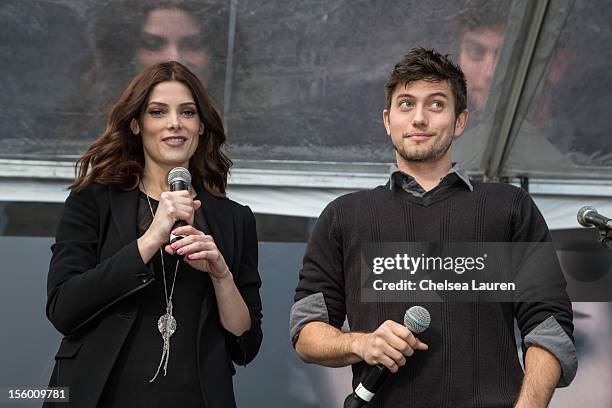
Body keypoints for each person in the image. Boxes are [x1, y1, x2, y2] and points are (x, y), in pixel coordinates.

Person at [290, 47, 576, 407]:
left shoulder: (510, 207)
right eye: (406, 104)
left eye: (436, 104)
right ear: (387, 119)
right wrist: (360, 343)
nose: (419, 118)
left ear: (460, 120)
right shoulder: (344, 216)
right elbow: (306, 332)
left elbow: (548, 325)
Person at [45, 61, 262, 408]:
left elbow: (246, 344)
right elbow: (64, 309)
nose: (174, 123)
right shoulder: (94, 200)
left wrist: (222, 275)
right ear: (136, 124)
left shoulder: (235, 219)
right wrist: (149, 239)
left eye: (187, 112)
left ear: (201, 127)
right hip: (102, 395)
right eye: (158, 112)